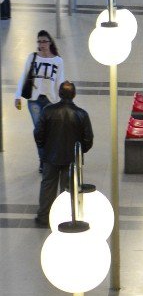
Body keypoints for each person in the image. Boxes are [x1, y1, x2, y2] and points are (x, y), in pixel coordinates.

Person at [33, 81, 93, 227]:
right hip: (71, 159)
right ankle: (64, 216)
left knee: (47, 186)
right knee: (68, 189)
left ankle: (44, 217)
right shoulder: (81, 114)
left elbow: (38, 132)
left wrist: (43, 148)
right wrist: (80, 152)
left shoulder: (47, 111)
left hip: (50, 156)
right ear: (74, 95)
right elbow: (88, 138)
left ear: (59, 94)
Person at [15, 30, 65, 170]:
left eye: (44, 41)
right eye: (39, 41)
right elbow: (23, 76)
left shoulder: (58, 61)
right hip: (34, 100)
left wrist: (63, 101)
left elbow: (60, 81)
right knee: (39, 131)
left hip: (51, 100)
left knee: (50, 131)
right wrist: (17, 96)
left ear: (50, 42)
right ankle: (43, 160)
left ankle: (50, 157)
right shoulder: (32, 58)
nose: (42, 44)